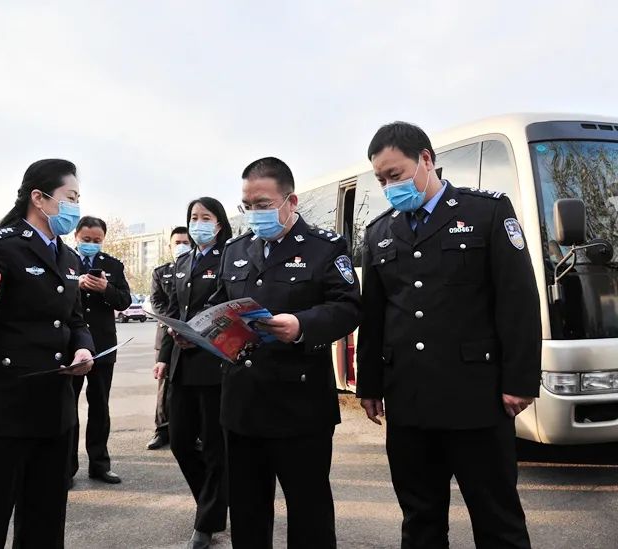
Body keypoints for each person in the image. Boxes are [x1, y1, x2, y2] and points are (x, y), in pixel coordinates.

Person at [356, 122, 541, 549]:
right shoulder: (380, 232)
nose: (389, 187)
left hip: (476, 398)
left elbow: (518, 302)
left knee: (497, 519)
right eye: (381, 180)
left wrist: (519, 381)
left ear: (426, 159)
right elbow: (375, 316)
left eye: (396, 175)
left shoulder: (486, 212)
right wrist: (370, 384)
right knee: (420, 520)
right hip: (410, 402)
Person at [208, 158, 362, 548]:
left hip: (300, 405)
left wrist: (301, 325)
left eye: (263, 204)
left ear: (290, 201)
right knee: (247, 511)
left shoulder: (324, 248)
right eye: (247, 205)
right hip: (242, 403)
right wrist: (196, 329)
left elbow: (348, 307)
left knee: (308, 511)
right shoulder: (235, 249)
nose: (254, 213)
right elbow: (218, 303)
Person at [0, 159, 95, 548]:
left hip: (53, 411)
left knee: (45, 525)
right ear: (40, 197)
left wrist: (83, 349)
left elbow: (75, 320)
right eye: (71, 197)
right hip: (0, 410)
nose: (75, 207)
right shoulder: (0, 244)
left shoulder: (68, 257)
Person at [158, 197, 232, 549]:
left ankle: (207, 520)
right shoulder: (184, 262)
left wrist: (202, 336)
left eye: (206, 217)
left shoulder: (229, 259)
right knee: (182, 441)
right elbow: (174, 309)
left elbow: (229, 311)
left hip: (213, 366)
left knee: (216, 447)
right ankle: (213, 502)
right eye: (192, 217)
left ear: (219, 224)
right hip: (181, 367)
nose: (198, 223)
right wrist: (167, 349)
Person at [70, 215, 132, 486]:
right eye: (86, 240)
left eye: (97, 241)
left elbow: (124, 301)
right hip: (70, 345)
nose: (91, 245)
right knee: (67, 407)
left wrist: (106, 287)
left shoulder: (113, 265)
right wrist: (75, 284)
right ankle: (66, 466)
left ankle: (100, 464)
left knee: (99, 406)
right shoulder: (63, 260)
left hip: (104, 345)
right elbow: (48, 295)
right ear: (76, 237)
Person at [147, 226, 191, 450]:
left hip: (191, 336)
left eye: (186, 242)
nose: (182, 246)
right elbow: (157, 304)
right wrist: (174, 322)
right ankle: (161, 429)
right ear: (170, 246)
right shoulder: (161, 272)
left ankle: (191, 430)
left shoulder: (195, 269)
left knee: (187, 384)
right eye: (177, 243)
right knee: (164, 385)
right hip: (166, 335)